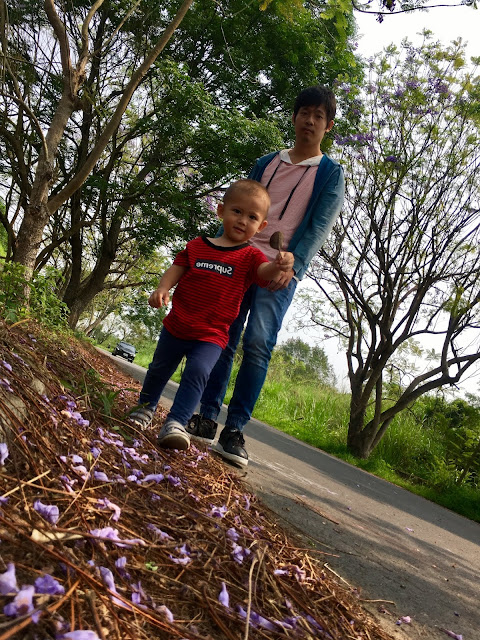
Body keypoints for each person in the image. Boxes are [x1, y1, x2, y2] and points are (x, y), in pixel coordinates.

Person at [187, 85, 345, 468]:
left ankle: (235, 429)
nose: (310, 121)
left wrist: (294, 265)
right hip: (241, 261)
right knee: (223, 336)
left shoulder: (330, 174)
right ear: (293, 117)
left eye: (319, 116)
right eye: (304, 112)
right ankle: (207, 416)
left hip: (279, 269)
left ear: (328, 125)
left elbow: (320, 226)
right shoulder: (266, 163)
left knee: (258, 343)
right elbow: (245, 205)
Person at [128, 179, 294, 450]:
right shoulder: (197, 246)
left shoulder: (251, 257)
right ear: (220, 211)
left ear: (262, 226)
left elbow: (264, 275)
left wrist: (278, 266)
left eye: (252, 217)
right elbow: (177, 268)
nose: (242, 220)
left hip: (212, 335)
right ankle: (144, 409)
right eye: (236, 211)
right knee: (158, 369)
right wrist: (162, 288)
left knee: (199, 371)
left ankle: (177, 422)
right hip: (177, 325)